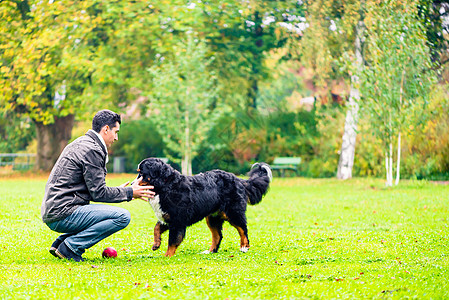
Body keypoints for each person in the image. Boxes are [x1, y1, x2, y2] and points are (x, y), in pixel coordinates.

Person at [41, 109, 154, 262]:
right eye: (115, 132)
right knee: (122, 217)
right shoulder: (92, 149)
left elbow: (92, 188)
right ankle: (70, 247)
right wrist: (128, 193)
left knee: (110, 214)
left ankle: (61, 243)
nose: (116, 138)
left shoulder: (82, 143)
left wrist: (121, 191)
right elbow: (99, 193)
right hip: (63, 213)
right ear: (106, 129)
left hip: (54, 211)